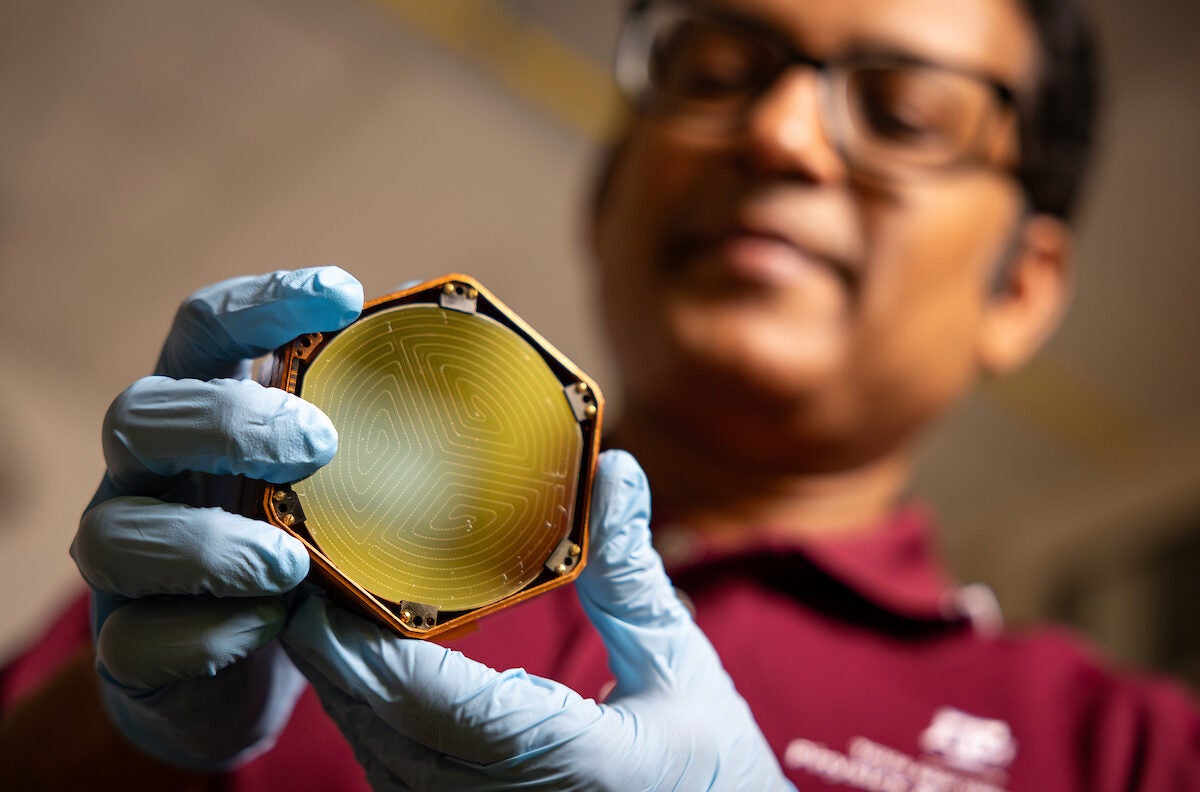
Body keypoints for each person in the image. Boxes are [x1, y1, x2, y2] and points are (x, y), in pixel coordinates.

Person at [3, 0, 1198, 789]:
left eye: (905, 113)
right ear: (609, 190)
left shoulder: (1133, 754)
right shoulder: (248, 527)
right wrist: (125, 739)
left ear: (1023, 291)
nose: (781, 135)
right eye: (720, 70)